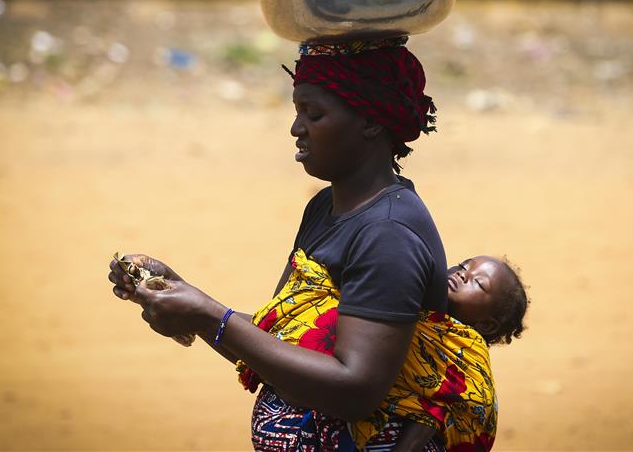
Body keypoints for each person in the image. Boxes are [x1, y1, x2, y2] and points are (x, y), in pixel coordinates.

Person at [109, 36, 452, 450]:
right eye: (297, 110)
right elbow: (282, 343)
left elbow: (356, 389)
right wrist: (184, 297)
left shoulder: (388, 235)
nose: (296, 128)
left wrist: (210, 317)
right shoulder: (327, 207)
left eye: (315, 113)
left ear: (370, 121)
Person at [235, 251, 528, 451]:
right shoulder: (408, 309)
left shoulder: (467, 353)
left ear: (487, 324)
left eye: (477, 282)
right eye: (464, 266)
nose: (462, 274)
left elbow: (446, 409)